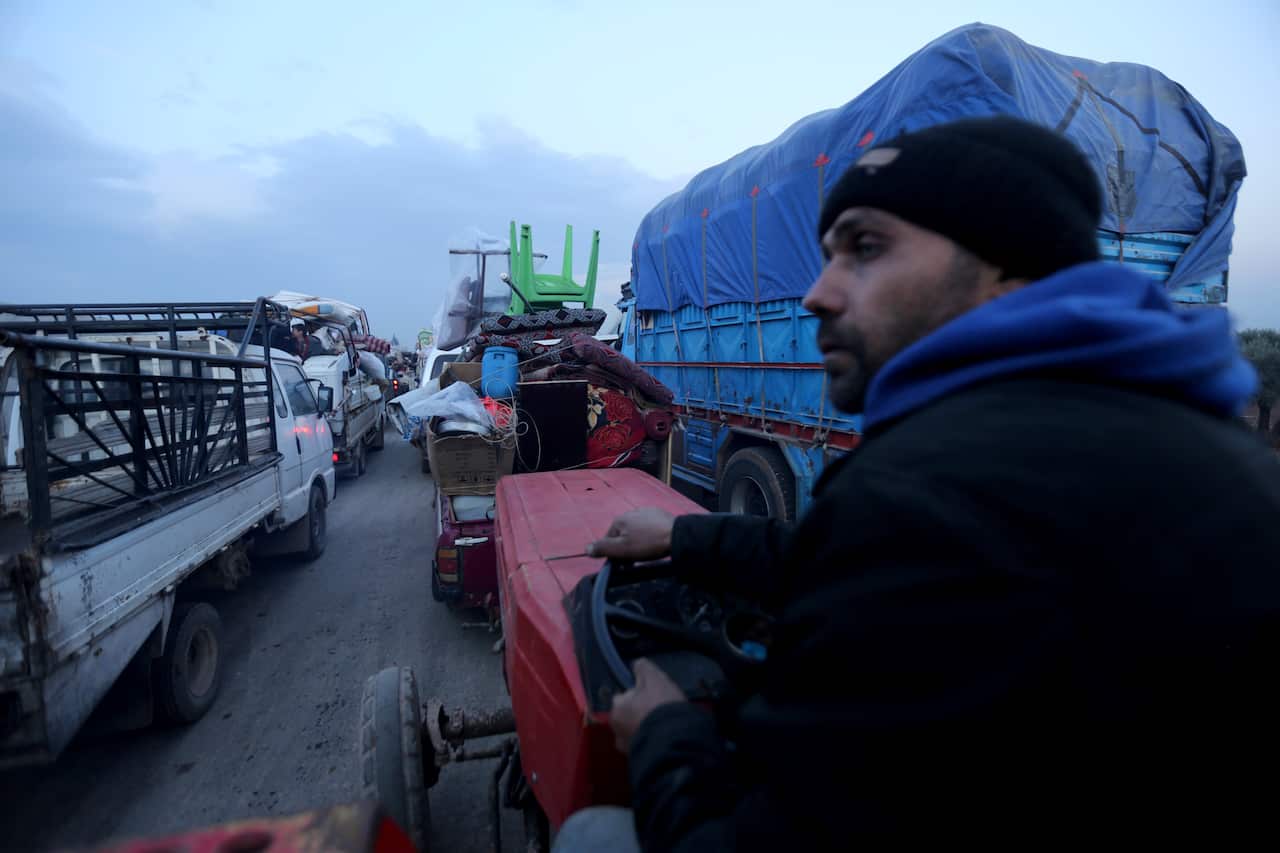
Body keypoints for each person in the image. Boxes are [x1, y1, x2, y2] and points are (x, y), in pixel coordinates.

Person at [558, 116, 1280, 849]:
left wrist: (665, 736)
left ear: (1006, 262)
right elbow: (846, 561)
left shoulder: (934, 484)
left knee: (591, 832)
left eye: (866, 248)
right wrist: (686, 532)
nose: (817, 295)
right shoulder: (1188, 437)